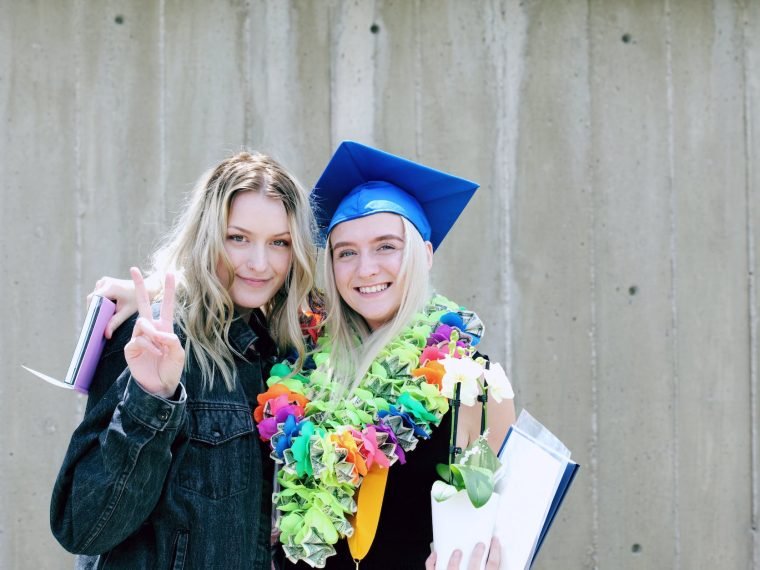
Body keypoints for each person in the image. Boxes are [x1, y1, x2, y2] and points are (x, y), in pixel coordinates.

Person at [93, 142, 516, 569]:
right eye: (345, 252)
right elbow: (235, 286)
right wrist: (153, 291)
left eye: (386, 246)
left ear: (424, 254)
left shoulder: (471, 384)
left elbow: (507, 528)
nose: (365, 268)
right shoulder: (303, 354)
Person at [50, 151, 316, 568]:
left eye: (279, 243)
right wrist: (150, 399)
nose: (260, 263)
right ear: (208, 236)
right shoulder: (155, 338)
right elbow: (83, 526)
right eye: (237, 238)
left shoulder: (284, 354)